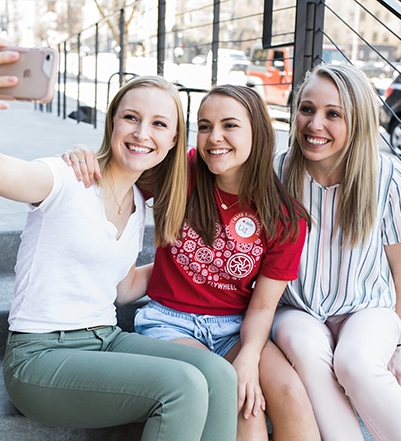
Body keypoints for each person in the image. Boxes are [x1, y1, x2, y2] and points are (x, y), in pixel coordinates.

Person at [0, 38, 238, 441]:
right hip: (41, 356)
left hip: (104, 338)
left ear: (171, 144)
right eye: (131, 117)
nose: (142, 132)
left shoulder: (139, 205)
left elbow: (125, 286)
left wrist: (203, 266)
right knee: (182, 386)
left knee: (216, 373)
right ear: (112, 122)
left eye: (159, 124)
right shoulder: (66, 179)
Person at [66, 85, 320, 441]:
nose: (214, 137)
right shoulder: (182, 171)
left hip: (236, 328)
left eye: (229, 125)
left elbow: (263, 308)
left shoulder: (286, 219)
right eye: (204, 126)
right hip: (170, 322)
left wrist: (248, 356)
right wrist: (84, 153)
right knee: (245, 407)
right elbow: (120, 167)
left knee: (292, 395)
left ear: (258, 132)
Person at [271, 63, 401, 441]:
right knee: (306, 348)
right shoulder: (280, 171)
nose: (314, 124)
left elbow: (398, 272)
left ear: (356, 121)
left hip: (366, 308)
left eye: (333, 114)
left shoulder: (387, 178)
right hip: (297, 309)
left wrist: (394, 345)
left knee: (355, 362)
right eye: (307, 109)